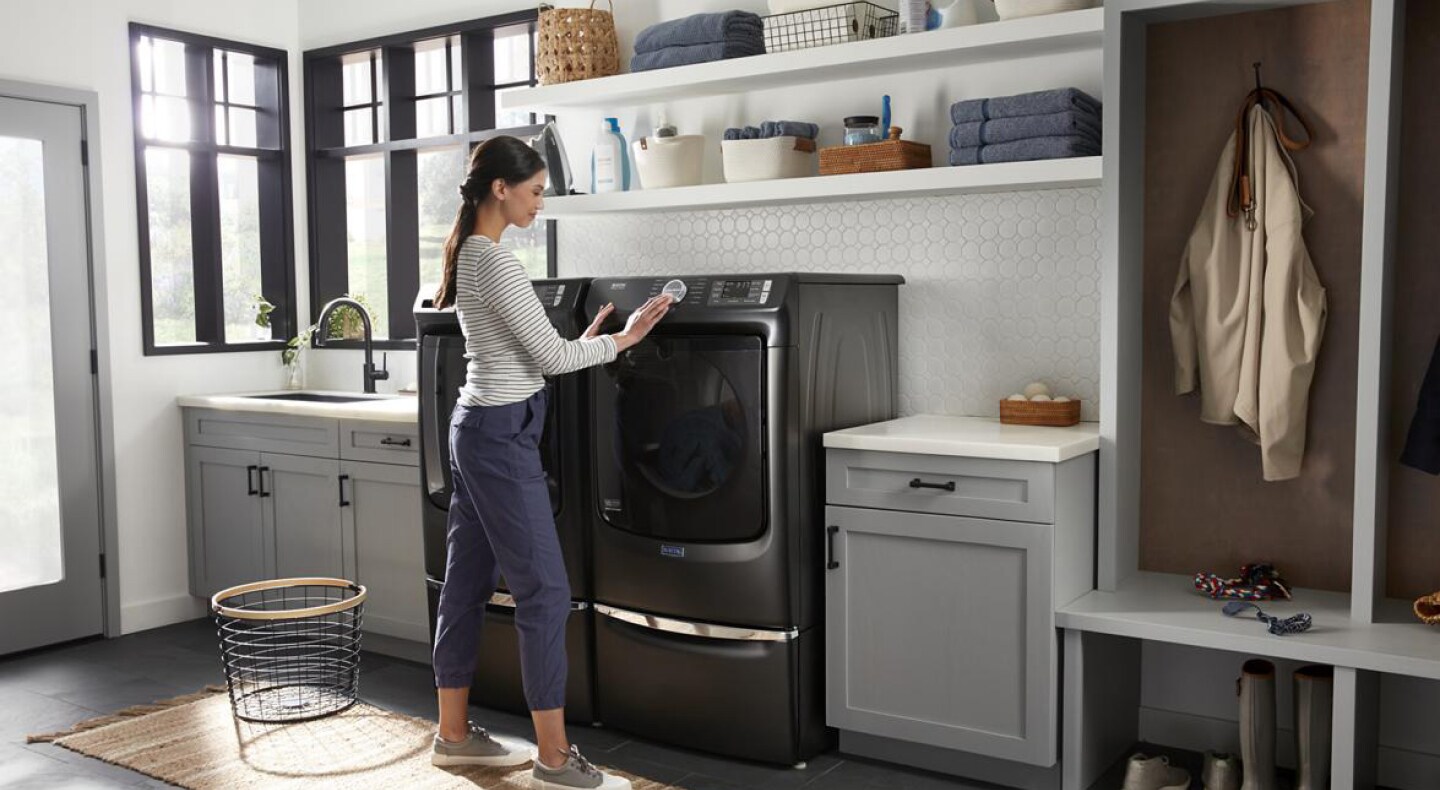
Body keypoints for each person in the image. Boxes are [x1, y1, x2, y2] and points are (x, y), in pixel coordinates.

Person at [429, 135, 671, 789]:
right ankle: (555, 760)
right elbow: (555, 362)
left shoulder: (473, 255)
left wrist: (586, 340)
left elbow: (536, 353)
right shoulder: (495, 262)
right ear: (500, 189)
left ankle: (453, 737)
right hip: (501, 439)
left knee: (466, 584)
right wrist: (624, 339)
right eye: (535, 191)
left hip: (480, 428)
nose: (542, 203)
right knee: (546, 592)